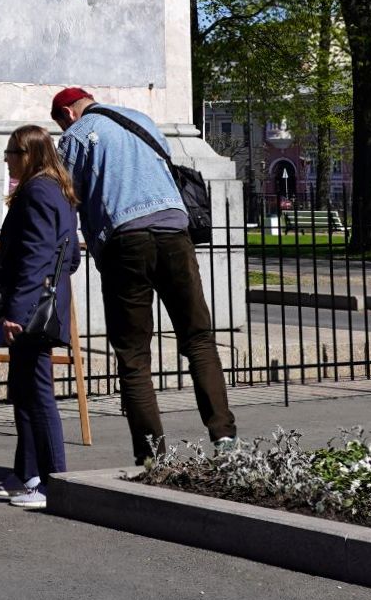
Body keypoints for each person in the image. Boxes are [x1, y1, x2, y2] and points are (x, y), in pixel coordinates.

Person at [51, 87, 236, 462]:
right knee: (199, 339)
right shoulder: (143, 121)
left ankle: (153, 455)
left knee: (134, 354)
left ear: (68, 113)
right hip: (174, 232)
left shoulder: (76, 136)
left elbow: (63, 198)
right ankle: (224, 438)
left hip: (125, 240)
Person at [0, 124, 82, 506]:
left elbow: (35, 257)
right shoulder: (56, 191)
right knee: (24, 389)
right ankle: (26, 472)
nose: (7, 159)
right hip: (41, 305)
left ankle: (51, 481)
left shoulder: (37, 191)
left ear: (29, 154)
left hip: (31, 310)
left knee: (37, 393)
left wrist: (14, 310)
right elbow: (71, 257)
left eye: (12, 152)